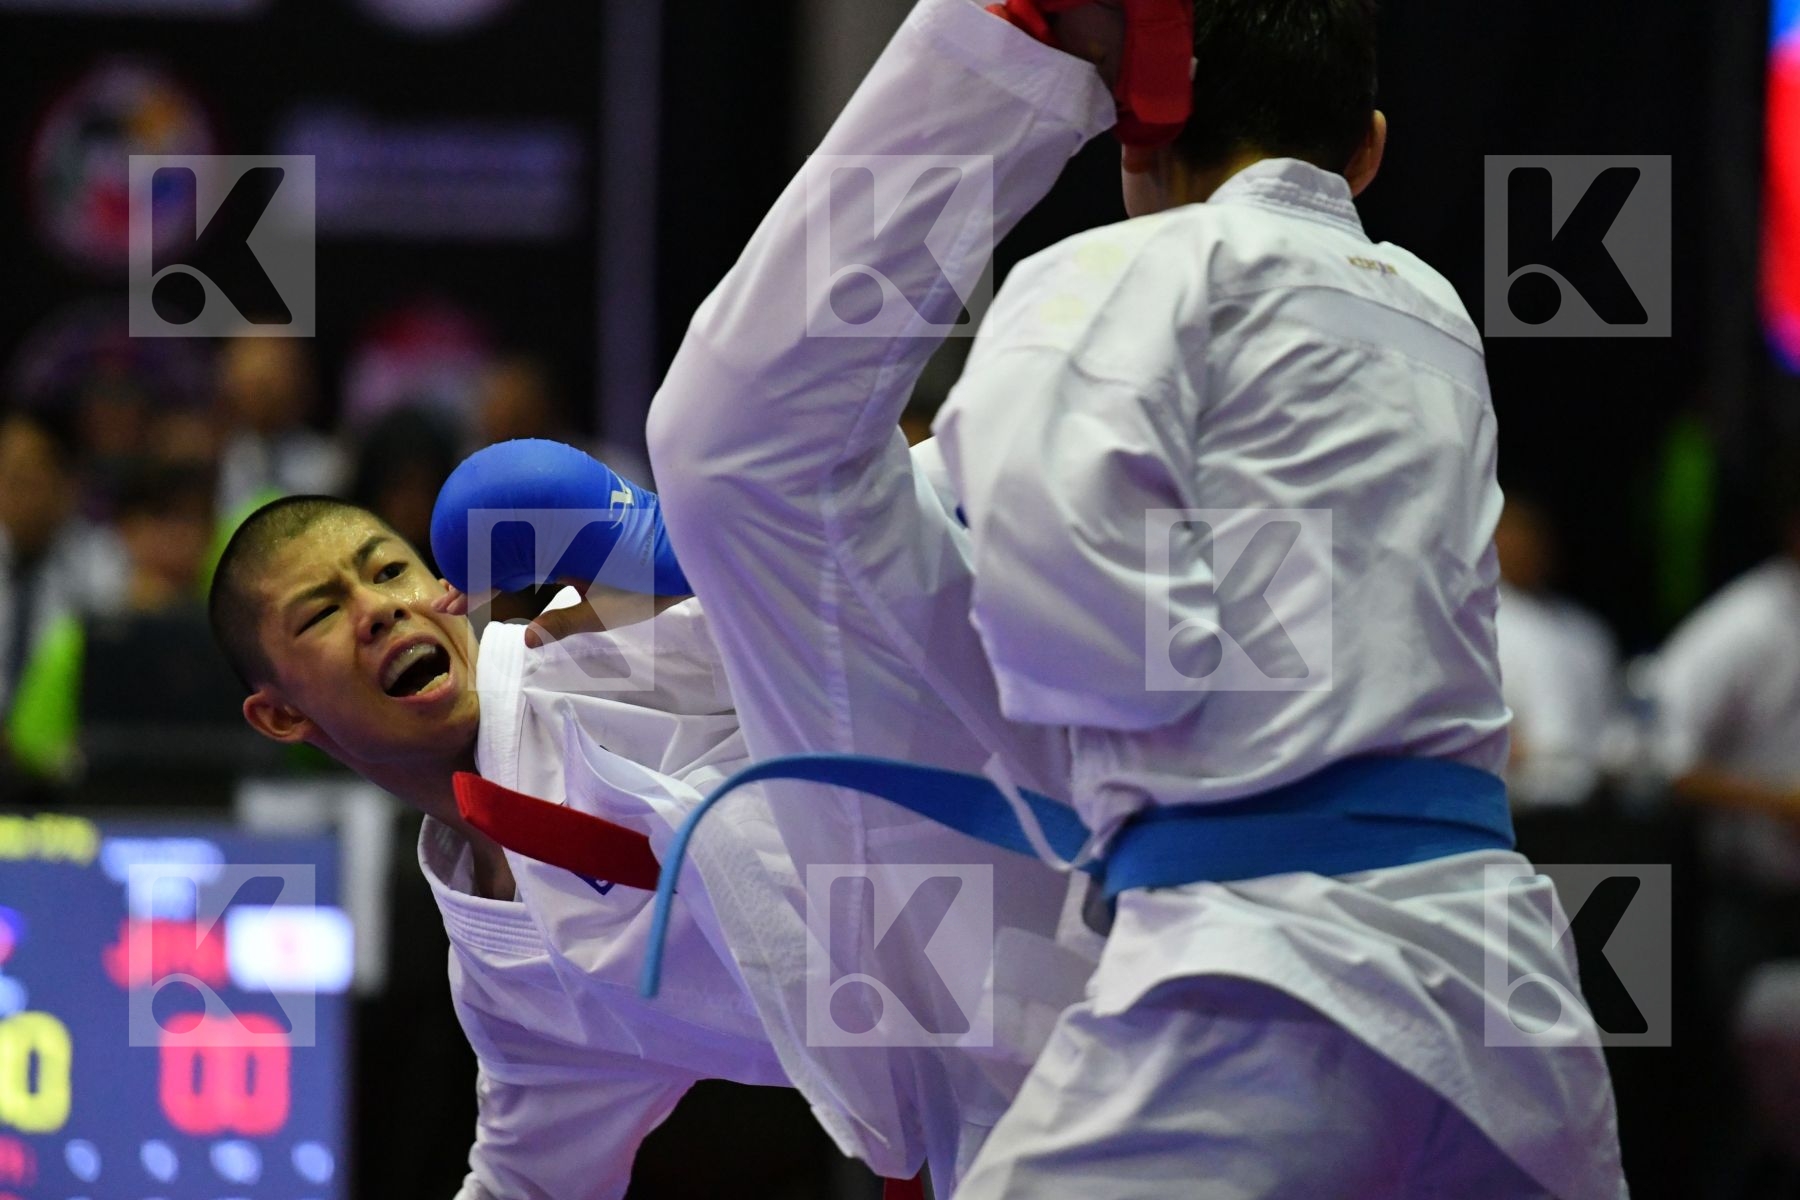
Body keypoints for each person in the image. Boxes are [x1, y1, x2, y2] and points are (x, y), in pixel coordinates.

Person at [646, 0, 1626, 1196]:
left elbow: (1093, 640)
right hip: (1508, 995)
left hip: (1259, 979)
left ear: (1131, 145)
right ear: (1367, 149)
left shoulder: (1105, 273)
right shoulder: (1429, 308)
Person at [207, 496, 787, 1198]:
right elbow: (525, 1184)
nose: (379, 608)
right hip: (944, 1089)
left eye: (390, 571)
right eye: (322, 613)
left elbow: (853, 571)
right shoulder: (499, 984)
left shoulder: (593, 635)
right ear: (281, 713)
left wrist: (683, 562)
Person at [1493, 494, 1621, 807]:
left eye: (1533, 537)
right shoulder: (1468, 625)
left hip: (1588, 811)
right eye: (1511, 536)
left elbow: (1613, 733)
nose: (1524, 548)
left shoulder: (1586, 631)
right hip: (1512, 810)